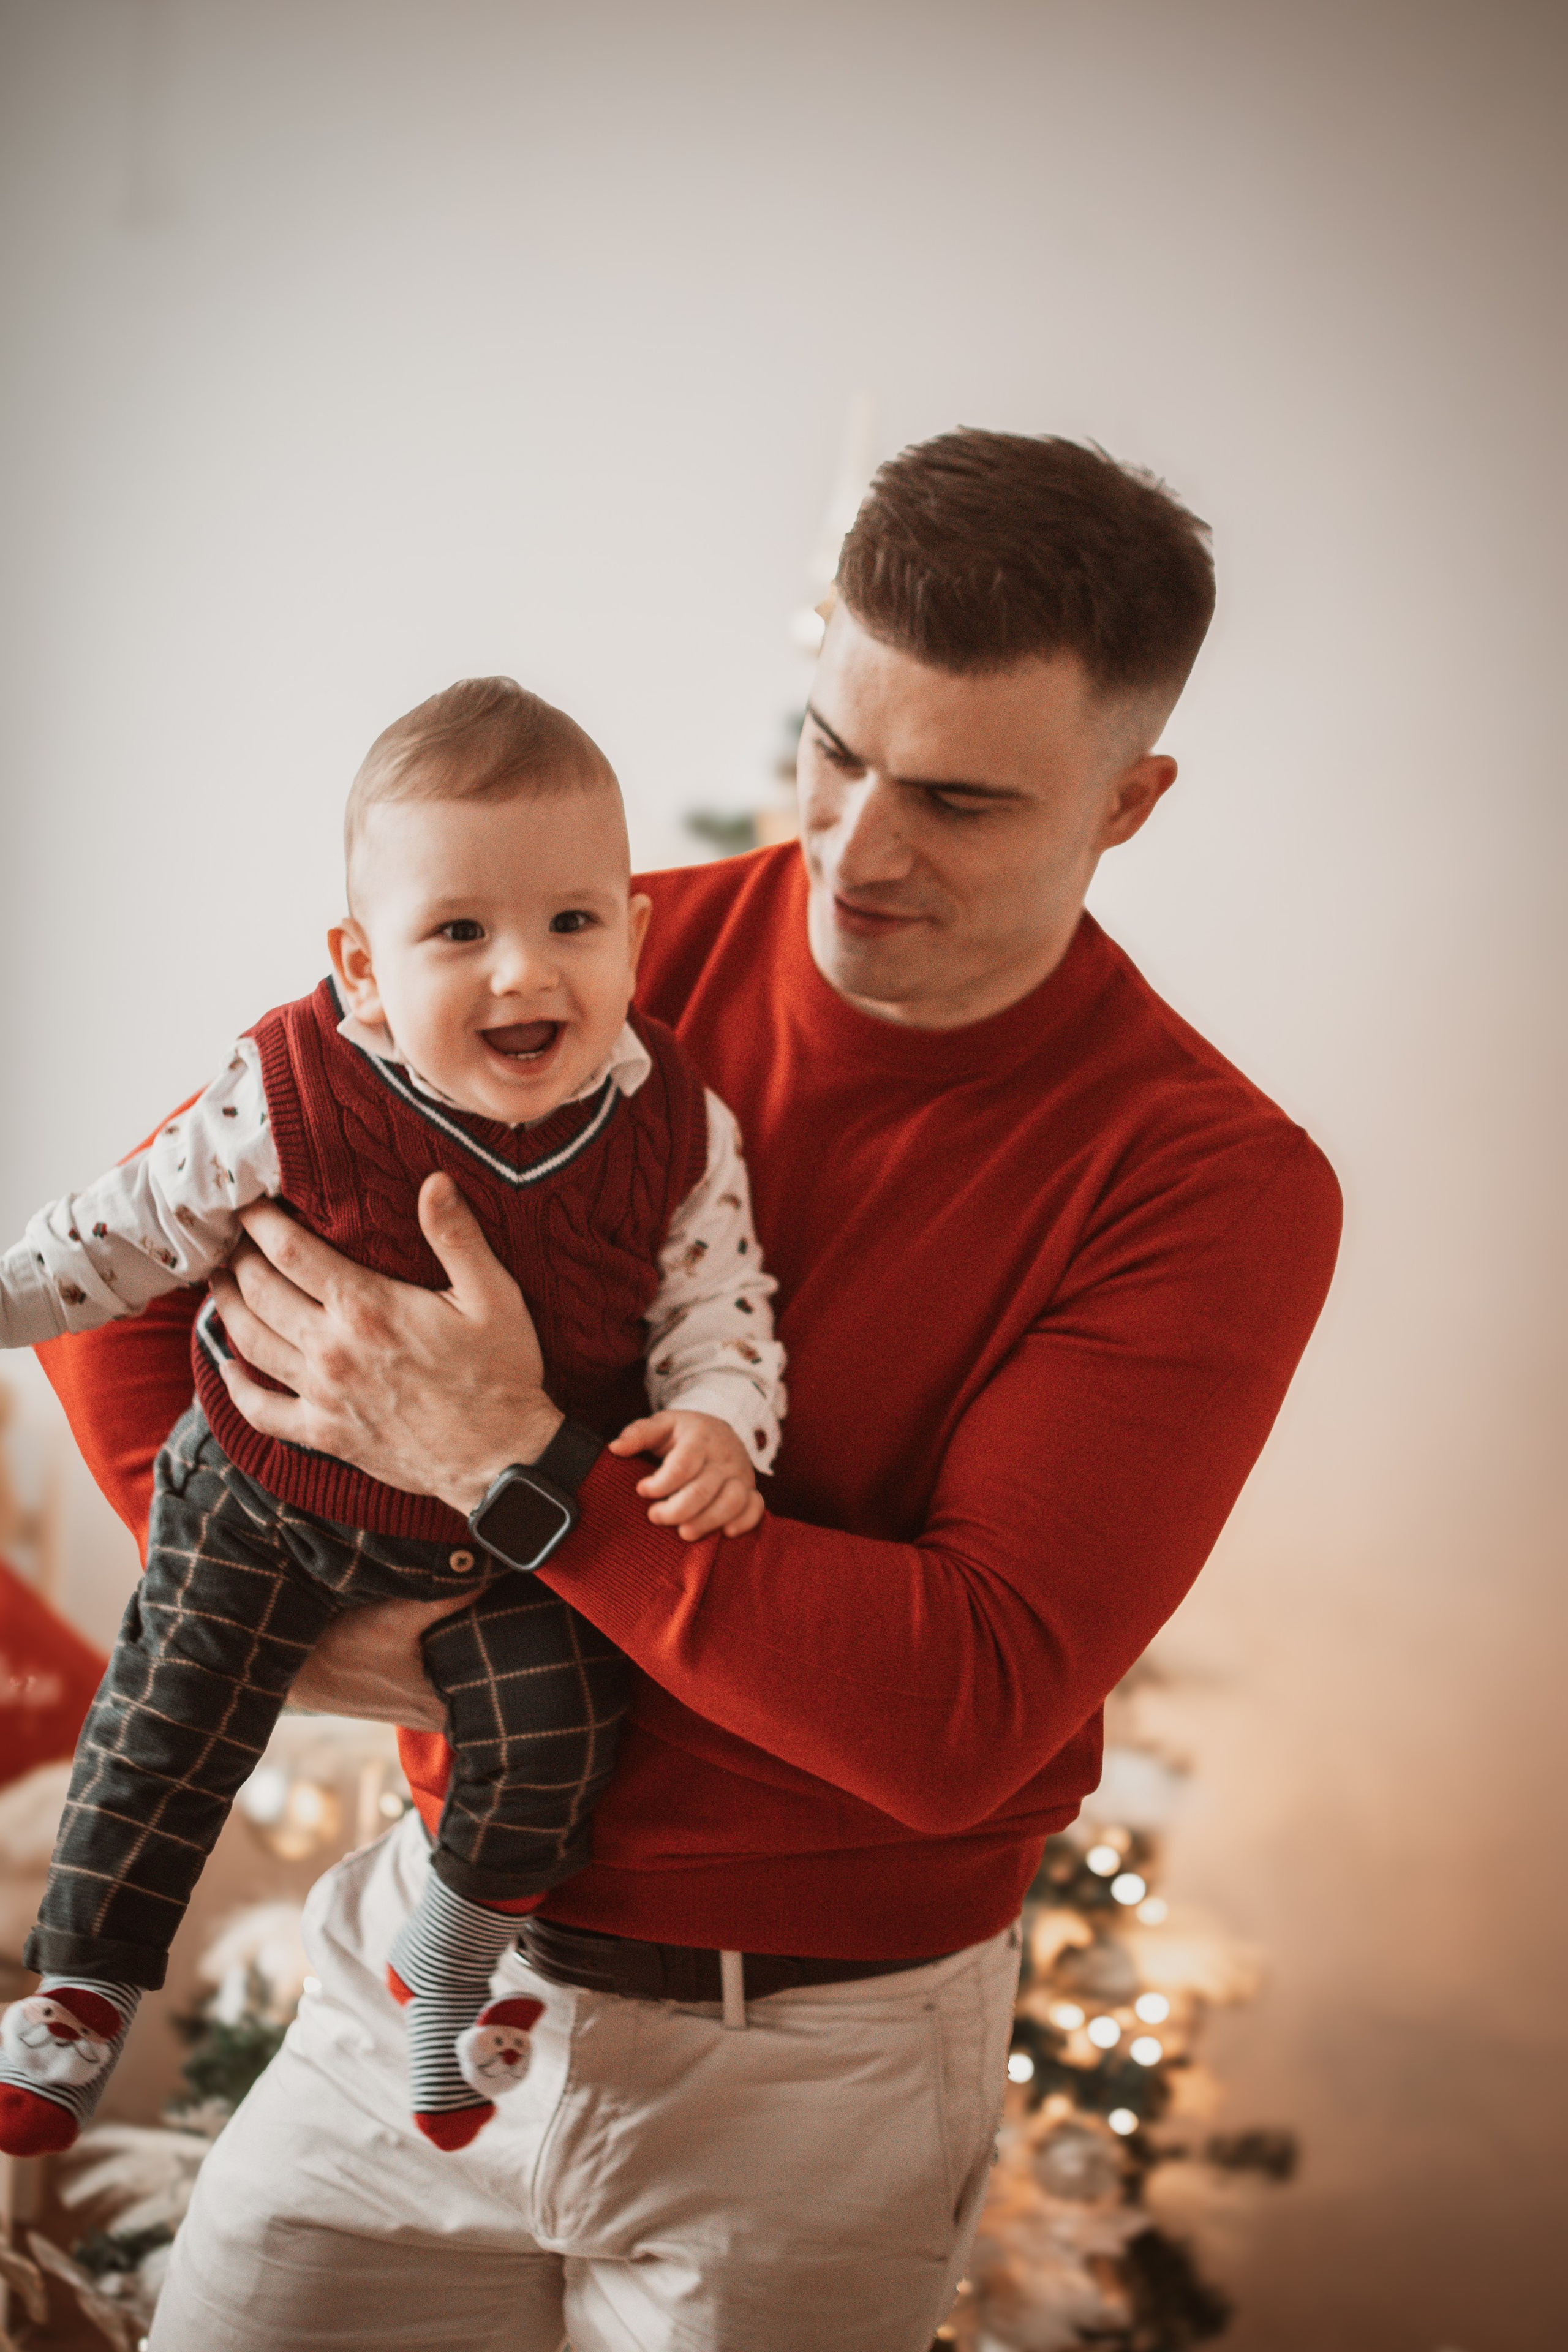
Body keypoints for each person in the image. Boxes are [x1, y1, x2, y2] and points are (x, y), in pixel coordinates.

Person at [36, 429, 1341, 2352]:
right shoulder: (571, 951)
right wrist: (285, 1624)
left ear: (1129, 799)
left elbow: (957, 1707)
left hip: (812, 2079)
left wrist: (509, 1463)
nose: (858, 847)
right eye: (835, 749)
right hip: (416, 1980)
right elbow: (122, 1290)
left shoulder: (1205, 1183)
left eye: (963, 801)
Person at [0, 679, 785, 2157]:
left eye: (570, 923)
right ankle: (81, 1987)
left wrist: (723, 1422)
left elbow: (716, 1299)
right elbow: (112, 1241)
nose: (520, 976)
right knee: (169, 1724)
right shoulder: (288, 1093)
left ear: (635, 930)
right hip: (257, 1496)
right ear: (362, 966)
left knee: (556, 1738)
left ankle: (447, 1972)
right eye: (457, 933)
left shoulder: (672, 1120)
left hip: (502, 1541)